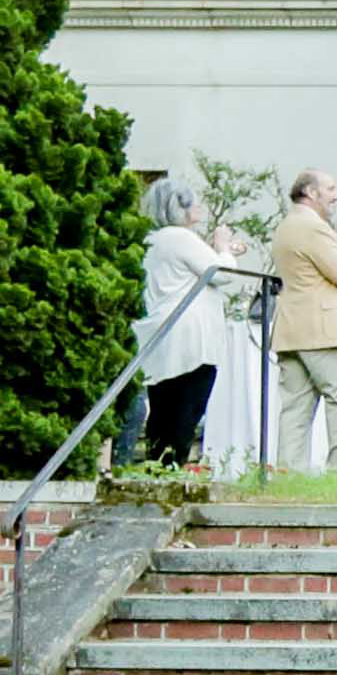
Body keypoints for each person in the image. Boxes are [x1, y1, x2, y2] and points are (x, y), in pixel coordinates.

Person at [268, 168, 337, 476]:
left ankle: (290, 474)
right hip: (323, 331)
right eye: (330, 188)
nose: (336, 195)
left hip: (292, 328)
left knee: (295, 407)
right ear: (311, 193)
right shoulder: (313, 227)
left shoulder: (287, 225)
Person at [135, 178, 234, 467]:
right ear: (180, 208)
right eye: (194, 202)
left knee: (164, 408)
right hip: (190, 340)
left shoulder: (153, 240)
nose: (200, 207)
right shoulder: (179, 238)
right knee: (185, 411)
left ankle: (160, 467)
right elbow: (221, 273)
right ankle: (172, 468)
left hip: (163, 335)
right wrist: (224, 247)